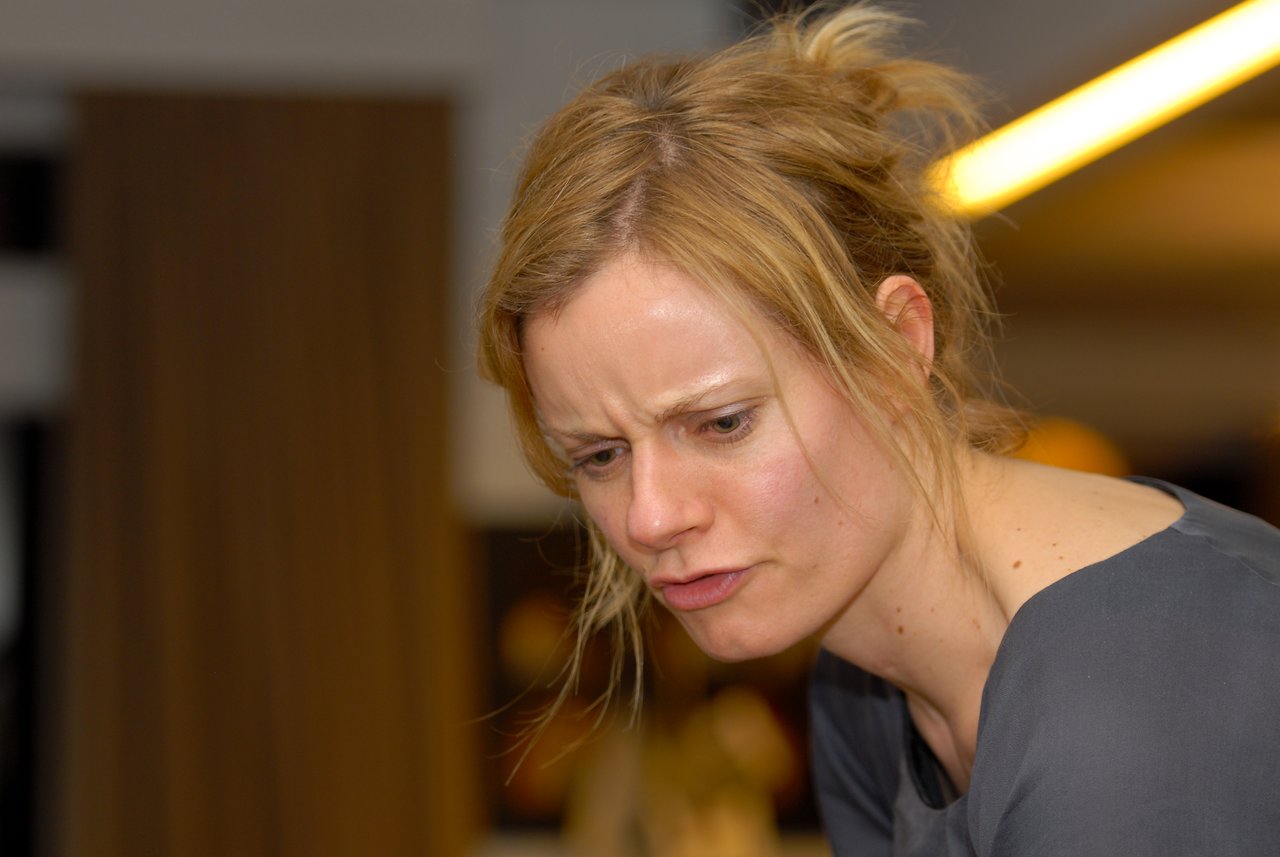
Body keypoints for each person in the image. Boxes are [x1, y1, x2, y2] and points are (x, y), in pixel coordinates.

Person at [476, 6, 1280, 855]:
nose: (649, 517)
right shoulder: (863, 687)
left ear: (897, 347)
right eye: (600, 455)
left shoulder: (1140, 704)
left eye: (720, 422)